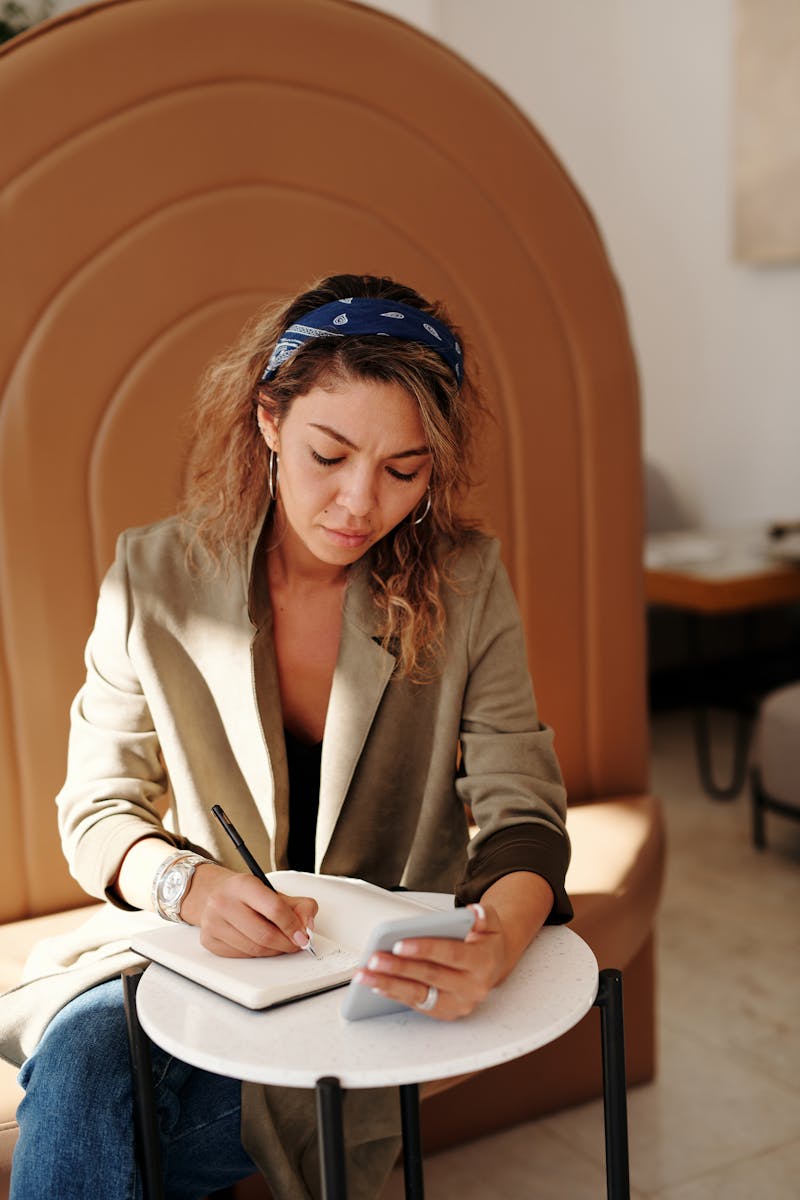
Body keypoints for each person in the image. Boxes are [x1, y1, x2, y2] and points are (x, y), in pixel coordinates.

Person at [3, 273, 572, 1199]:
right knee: (85, 1060)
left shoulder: (468, 584)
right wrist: (189, 886)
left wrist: (496, 943)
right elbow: (97, 809)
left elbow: (525, 810)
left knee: (108, 1120)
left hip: (370, 986)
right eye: (329, 454)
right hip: (196, 961)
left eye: (403, 471)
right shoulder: (152, 576)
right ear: (269, 420)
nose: (358, 503)